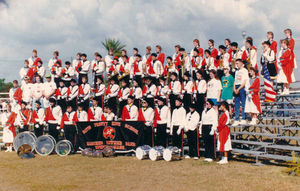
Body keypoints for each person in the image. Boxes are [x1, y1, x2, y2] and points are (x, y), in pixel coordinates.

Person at [232, 59, 249, 126]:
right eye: (236, 63)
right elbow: (235, 80)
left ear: (241, 63)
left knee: (243, 103)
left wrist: (239, 88)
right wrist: (234, 88)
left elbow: (244, 81)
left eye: (238, 63)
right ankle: (236, 118)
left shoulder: (245, 71)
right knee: (236, 104)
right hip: (237, 86)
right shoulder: (237, 71)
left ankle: (243, 118)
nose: (237, 65)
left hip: (242, 87)